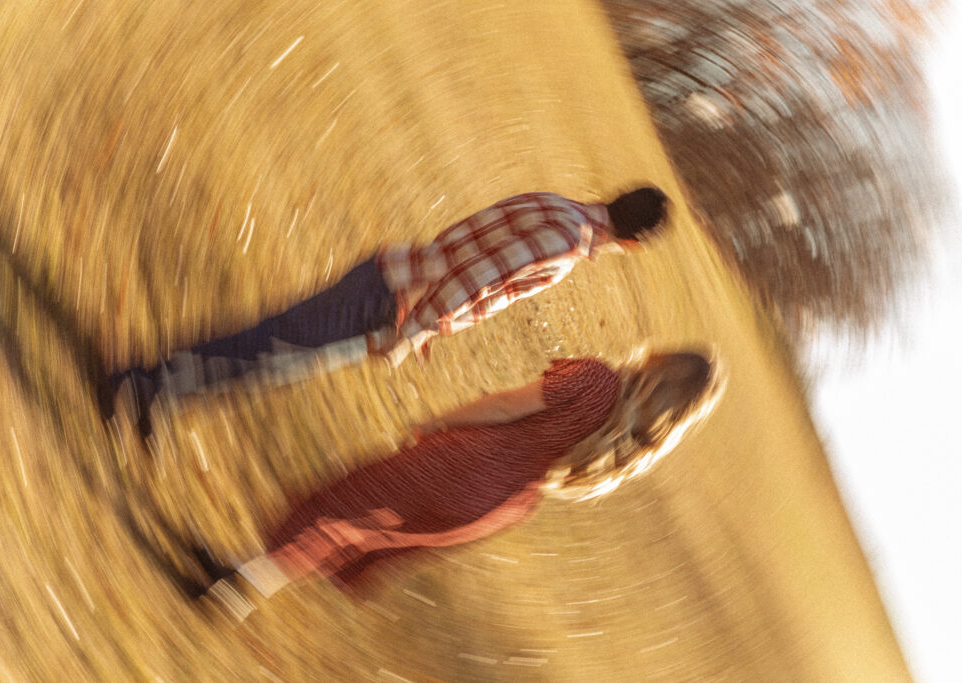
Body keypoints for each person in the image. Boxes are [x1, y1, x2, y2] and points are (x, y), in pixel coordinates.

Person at [193, 350, 724, 623]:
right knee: (361, 532)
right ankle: (245, 579)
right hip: (502, 502)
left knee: (344, 504)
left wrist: (436, 422)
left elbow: (504, 407)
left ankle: (241, 584)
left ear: (660, 360)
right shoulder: (631, 443)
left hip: (471, 460)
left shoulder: (597, 379)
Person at [100, 187, 670, 436]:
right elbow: (478, 279)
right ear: (634, 245)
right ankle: (138, 382)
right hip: (388, 303)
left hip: (395, 274)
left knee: (273, 352)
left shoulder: (556, 203)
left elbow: (467, 240)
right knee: (273, 353)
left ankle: (163, 389)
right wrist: (411, 330)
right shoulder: (566, 246)